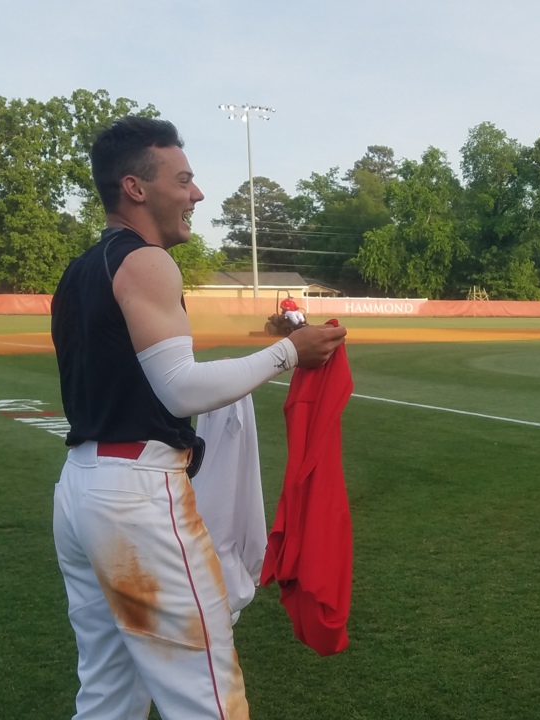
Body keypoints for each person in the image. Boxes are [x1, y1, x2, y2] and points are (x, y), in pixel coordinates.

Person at [50, 116, 346, 720]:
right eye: (183, 179)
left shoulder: (81, 270)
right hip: (135, 499)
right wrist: (289, 353)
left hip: (80, 489)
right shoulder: (147, 261)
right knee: (207, 697)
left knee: (107, 693)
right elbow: (181, 389)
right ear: (135, 187)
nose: (197, 194)